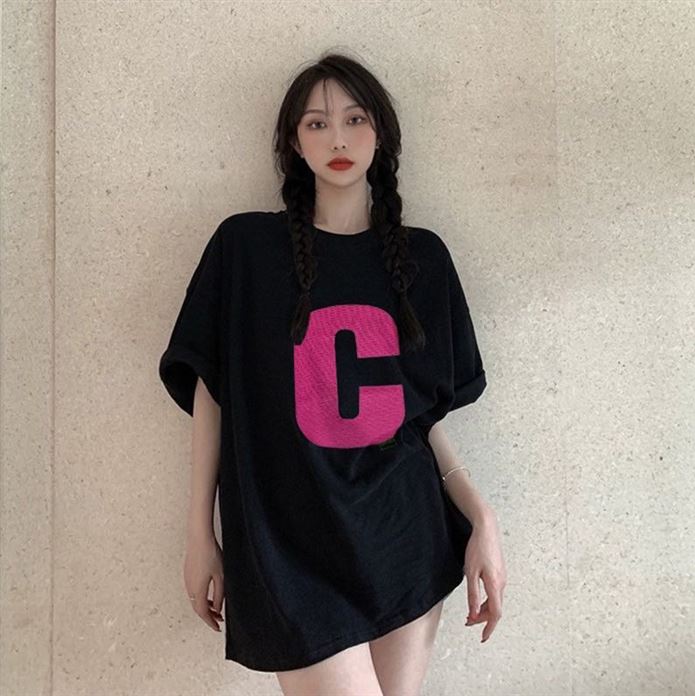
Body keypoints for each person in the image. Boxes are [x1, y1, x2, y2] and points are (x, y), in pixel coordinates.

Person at [158, 51, 507, 696]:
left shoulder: (423, 260)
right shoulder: (245, 249)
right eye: (316, 124)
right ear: (294, 143)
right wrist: (199, 531)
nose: (338, 139)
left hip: (401, 535)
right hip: (287, 546)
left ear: (382, 133)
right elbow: (214, 390)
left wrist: (481, 518)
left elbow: (417, 418)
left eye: (355, 119)